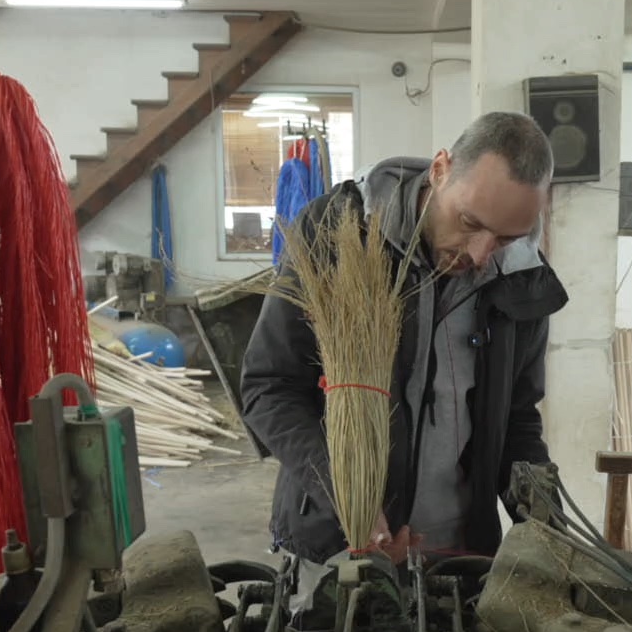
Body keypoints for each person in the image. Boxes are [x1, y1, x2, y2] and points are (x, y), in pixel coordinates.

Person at [242, 111, 567, 571]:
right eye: (469, 222)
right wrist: (347, 497)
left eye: (505, 238)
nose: (480, 254)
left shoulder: (521, 277)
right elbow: (269, 387)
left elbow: (517, 420)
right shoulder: (339, 234)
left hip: (459, 553)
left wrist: (548, 532)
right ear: (440, 169)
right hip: (337, 542)